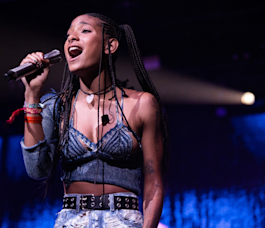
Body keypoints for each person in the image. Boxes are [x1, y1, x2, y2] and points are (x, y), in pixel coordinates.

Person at [18, 13, 170, 228]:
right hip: (72, 220)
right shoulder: (58, 107)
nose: (72, 38)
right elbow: (37, 170)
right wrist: (32, 96)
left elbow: (154, 181)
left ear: (110, 45)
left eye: (84, 31)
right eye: (68, 35)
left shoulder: (141, 104)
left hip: (123, 220)